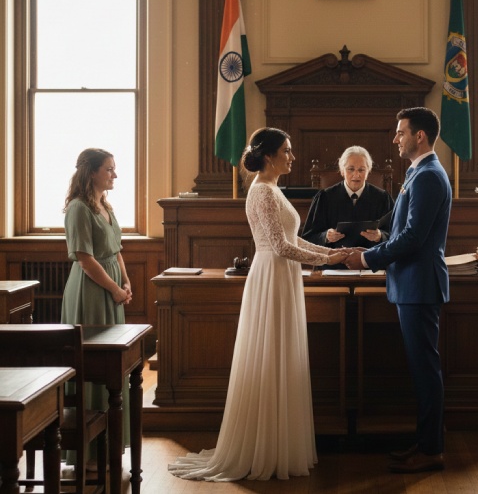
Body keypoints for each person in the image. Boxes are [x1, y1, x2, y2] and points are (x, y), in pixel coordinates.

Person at [168, 128, 350, 481]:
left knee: (280, 356)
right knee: (270, 355)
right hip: (271, 275)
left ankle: (279, 442)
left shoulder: (273, 190)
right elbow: (281, 248)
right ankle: (264, 446)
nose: (292, 157)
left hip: (283, 276)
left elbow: (292, 239)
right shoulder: (263, 191)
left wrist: (331, 252)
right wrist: (327, 261)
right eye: (287, 150)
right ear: (268, 156)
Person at [345, 107, 452, 473]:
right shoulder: (417, 173)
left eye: (400, 132)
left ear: (419, 136)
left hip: (419, 285)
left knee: (425, 370)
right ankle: (425, 442)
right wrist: (370, 249)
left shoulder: (427, 176)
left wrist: (366, 259)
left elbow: (412, 238)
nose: (396, 138)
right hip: (410, 284)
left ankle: (432, 449)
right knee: (422, 369)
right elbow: (399, 231)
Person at [61, 148, 133, 471]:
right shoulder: (78, 208)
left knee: (112, 366)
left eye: (114, 169)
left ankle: (108, 444)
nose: (114, 174)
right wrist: (114, 288)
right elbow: (86, 259)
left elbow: (116, 248)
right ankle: (87, 454)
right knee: (92, 365)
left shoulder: (105, 205)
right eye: (109, 169)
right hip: (90, 293)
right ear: (91, 172)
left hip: (111, 292)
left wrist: (127, 281)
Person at [302, 146, 394, 266]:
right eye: (351, 169)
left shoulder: (383, 198)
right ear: (342, 171)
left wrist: (380, 236)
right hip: (333, 267)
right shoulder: (325, 197)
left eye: (361, 170)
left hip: (370, 265)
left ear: (368, 171)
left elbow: (396, 235)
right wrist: (325, 237)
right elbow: (307, 239)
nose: (356, 175)